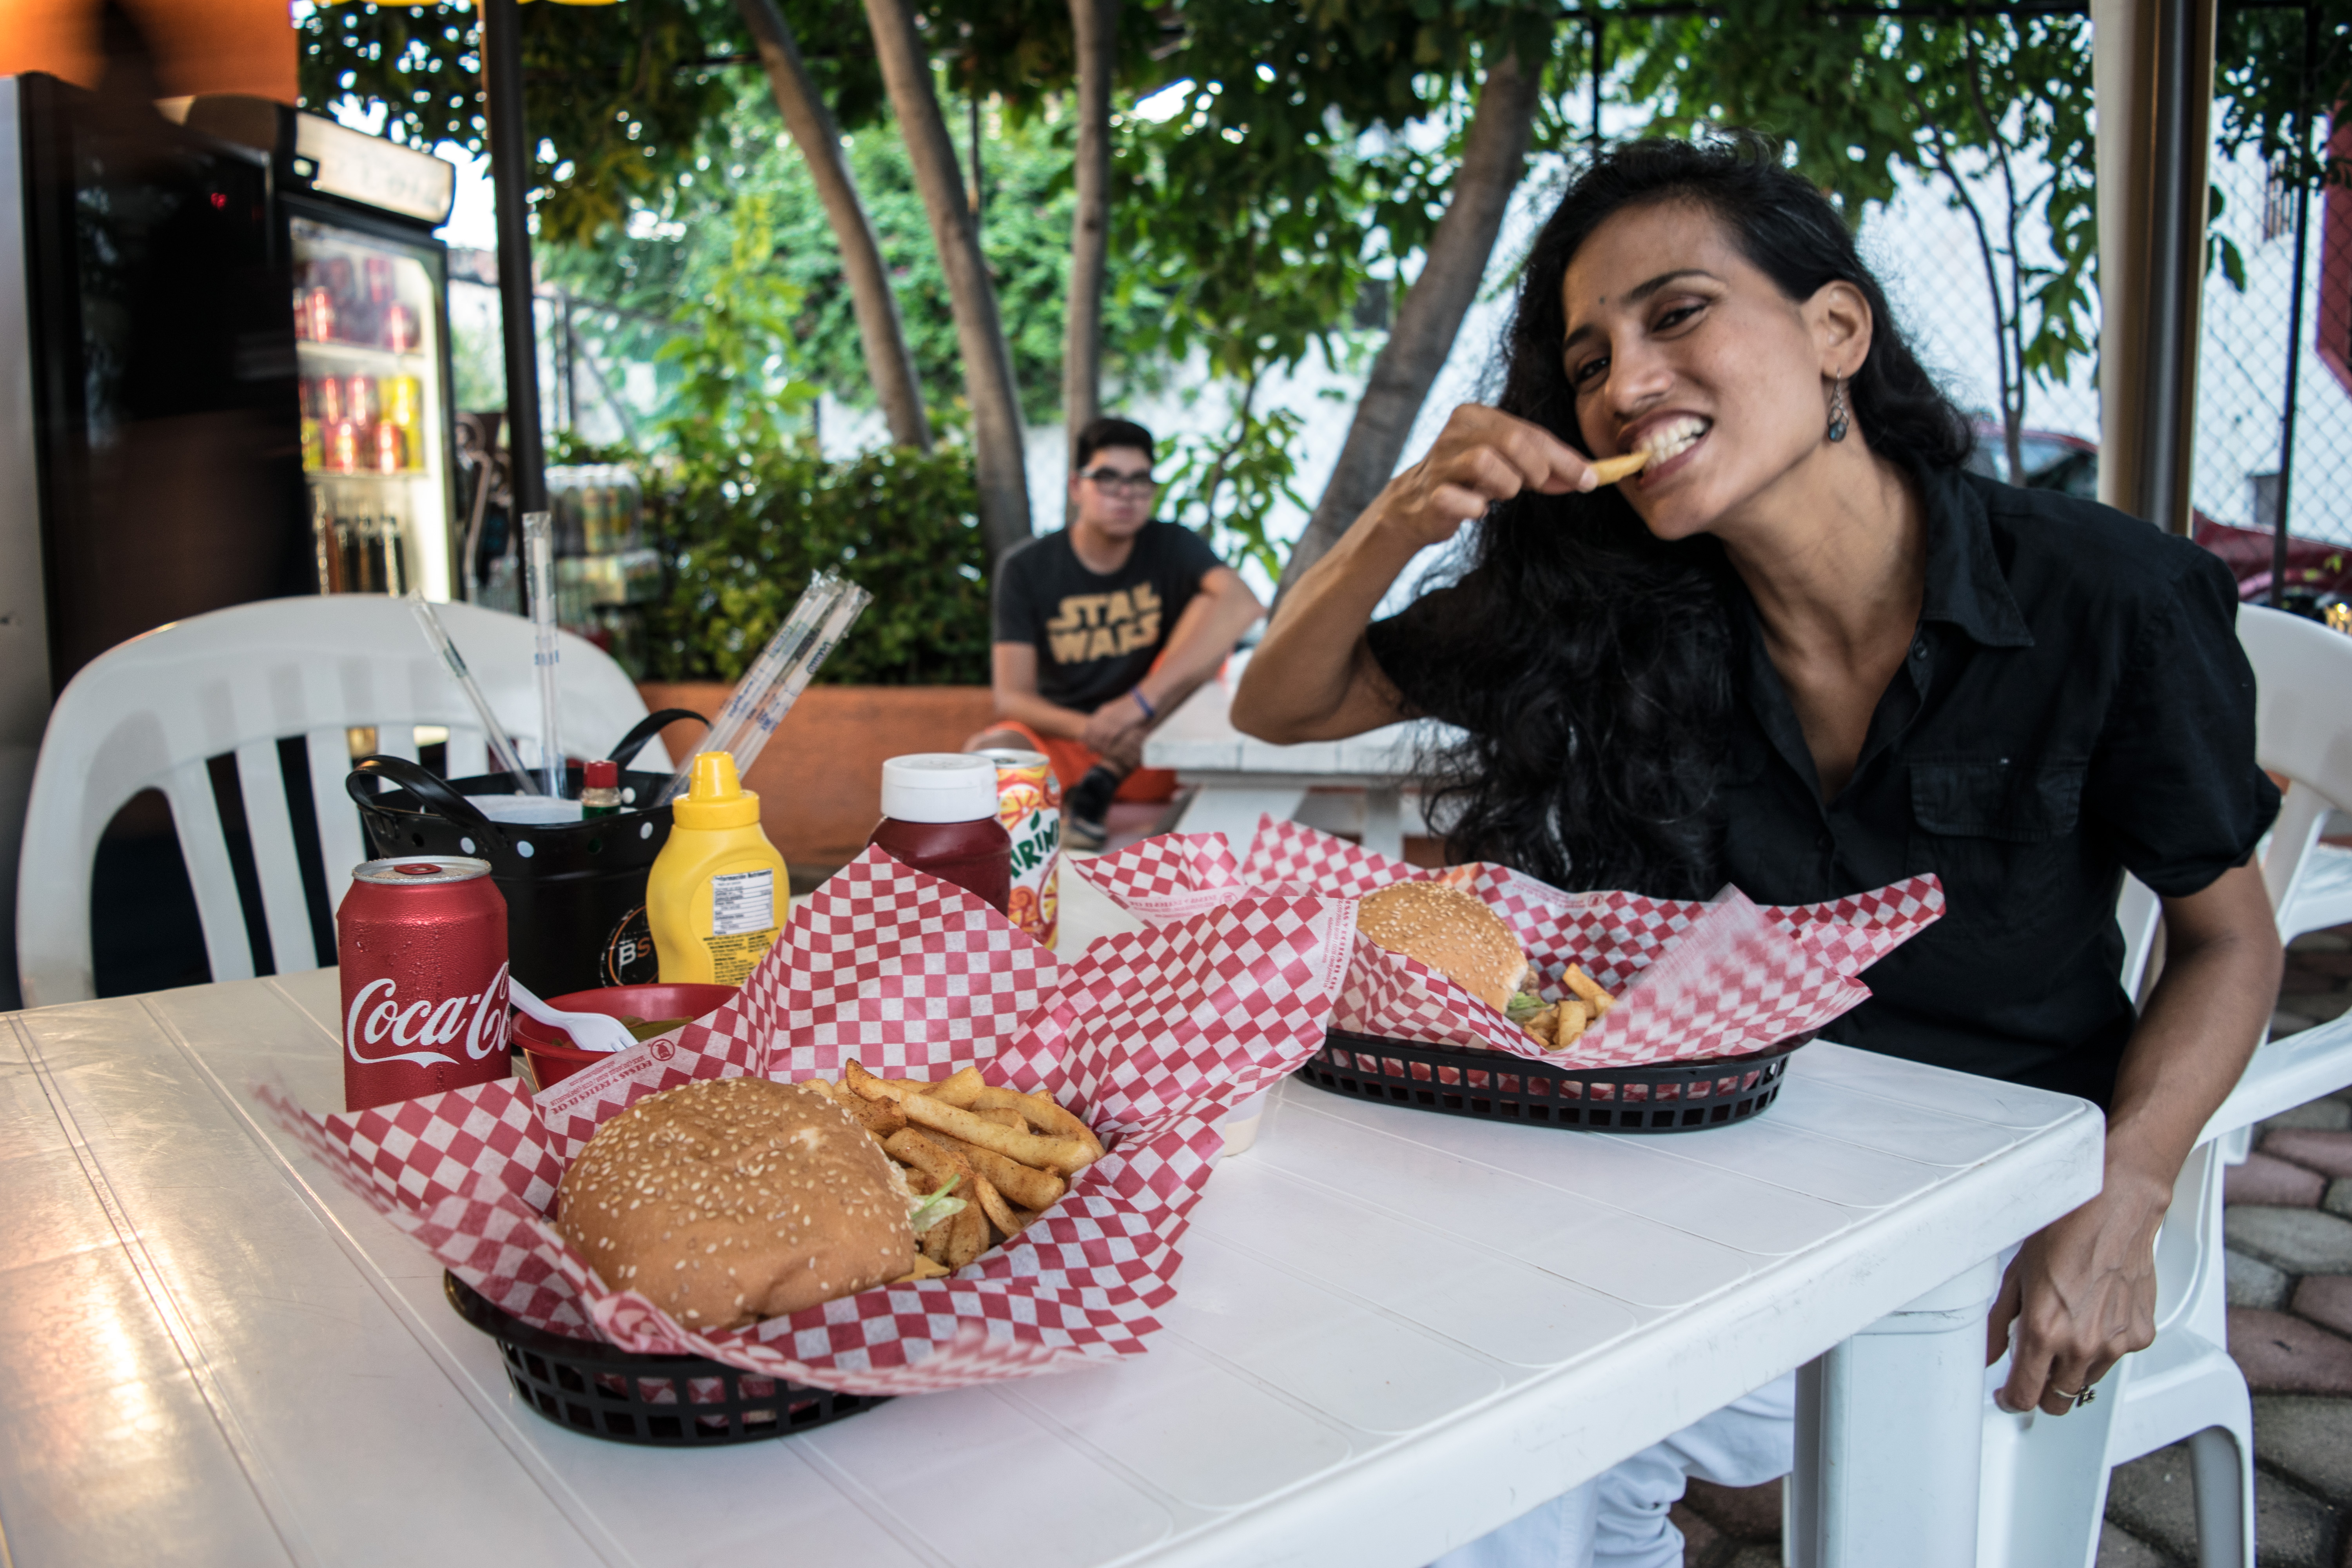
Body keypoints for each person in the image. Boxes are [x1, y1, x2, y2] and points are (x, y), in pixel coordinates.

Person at [1231, 137, 2285, 1567]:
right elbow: (1280, 702)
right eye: (1588, 357)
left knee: (1516, 1424)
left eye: (1675, 314)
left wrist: (2130, 1187)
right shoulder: (1615, 611)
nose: (1623, 382)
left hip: (1982, 1200)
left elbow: (2228, 937)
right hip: (1701, 1166)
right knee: (1442, 1407)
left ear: (1834, 330)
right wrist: (1395, 519)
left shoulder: (2108, 596)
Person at [970, 416, 1263, 849]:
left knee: (1212, 606)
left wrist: (1137, 703)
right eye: (1107, 479)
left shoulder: (1171, 545)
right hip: (1067, 744)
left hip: (1153, 745)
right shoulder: (1027, 567)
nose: (1125, 494)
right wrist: (1094, 727)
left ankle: (1107, 782)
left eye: (1140, 481)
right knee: (990, 751)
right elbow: (1011, 697)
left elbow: (1244, 603)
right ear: (1076, 487)